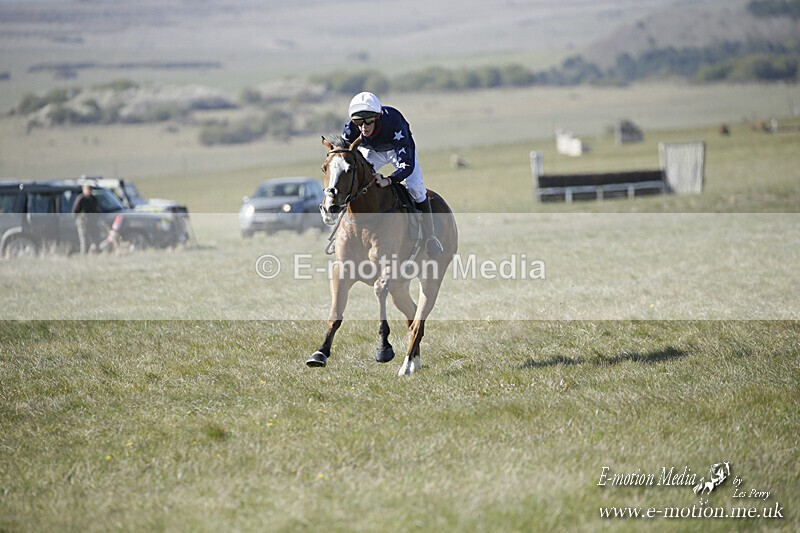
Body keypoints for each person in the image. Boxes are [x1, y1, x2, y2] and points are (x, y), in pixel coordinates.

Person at [342, 91, 443, 258]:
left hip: (397, 150)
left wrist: (389, 180)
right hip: (371, 151)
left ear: (378, 117)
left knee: (416, 189)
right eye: (358, 121)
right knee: (352, 181)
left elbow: (407, 166)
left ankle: (430, 238)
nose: (363, 126)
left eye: (369, 120)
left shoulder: (395, 123)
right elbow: (344, 156)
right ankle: (341, 232)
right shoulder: (350, 128)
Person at [71, 184, 101, 254]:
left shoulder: (93, 199)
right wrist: (79, 221)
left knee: (96, 238)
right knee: (84, 240)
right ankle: (84, 254)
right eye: (87, 190)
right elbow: (75, 211)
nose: (89, 191)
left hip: (92, 222)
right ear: (84, 190)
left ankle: (96, 253)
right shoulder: (80, 199)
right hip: (83, 223)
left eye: (90, 190)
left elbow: (96, 210)